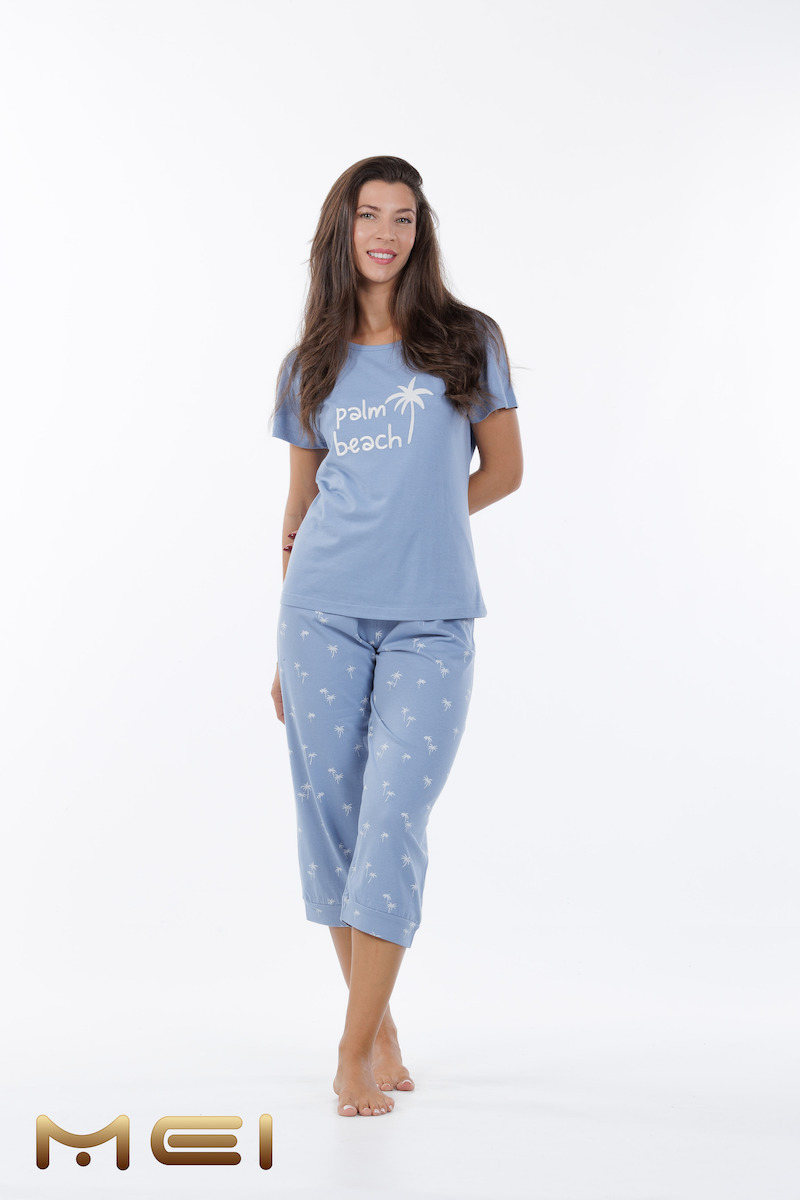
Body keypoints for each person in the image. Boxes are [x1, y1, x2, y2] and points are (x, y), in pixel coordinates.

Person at [270, 155, 523, 1117]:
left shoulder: (466, 340)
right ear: (342, 231)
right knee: (334, 825)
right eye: (369, 215)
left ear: (421, 232)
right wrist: (279, 647)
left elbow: (504, 470)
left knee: (391, 821)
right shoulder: (311, 363)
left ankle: (348, 1051)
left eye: (403, 217)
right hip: (320, 612)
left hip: (432, 618)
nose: (386, 233)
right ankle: (377, 1028)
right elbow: (298, 511)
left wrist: (423, 525)